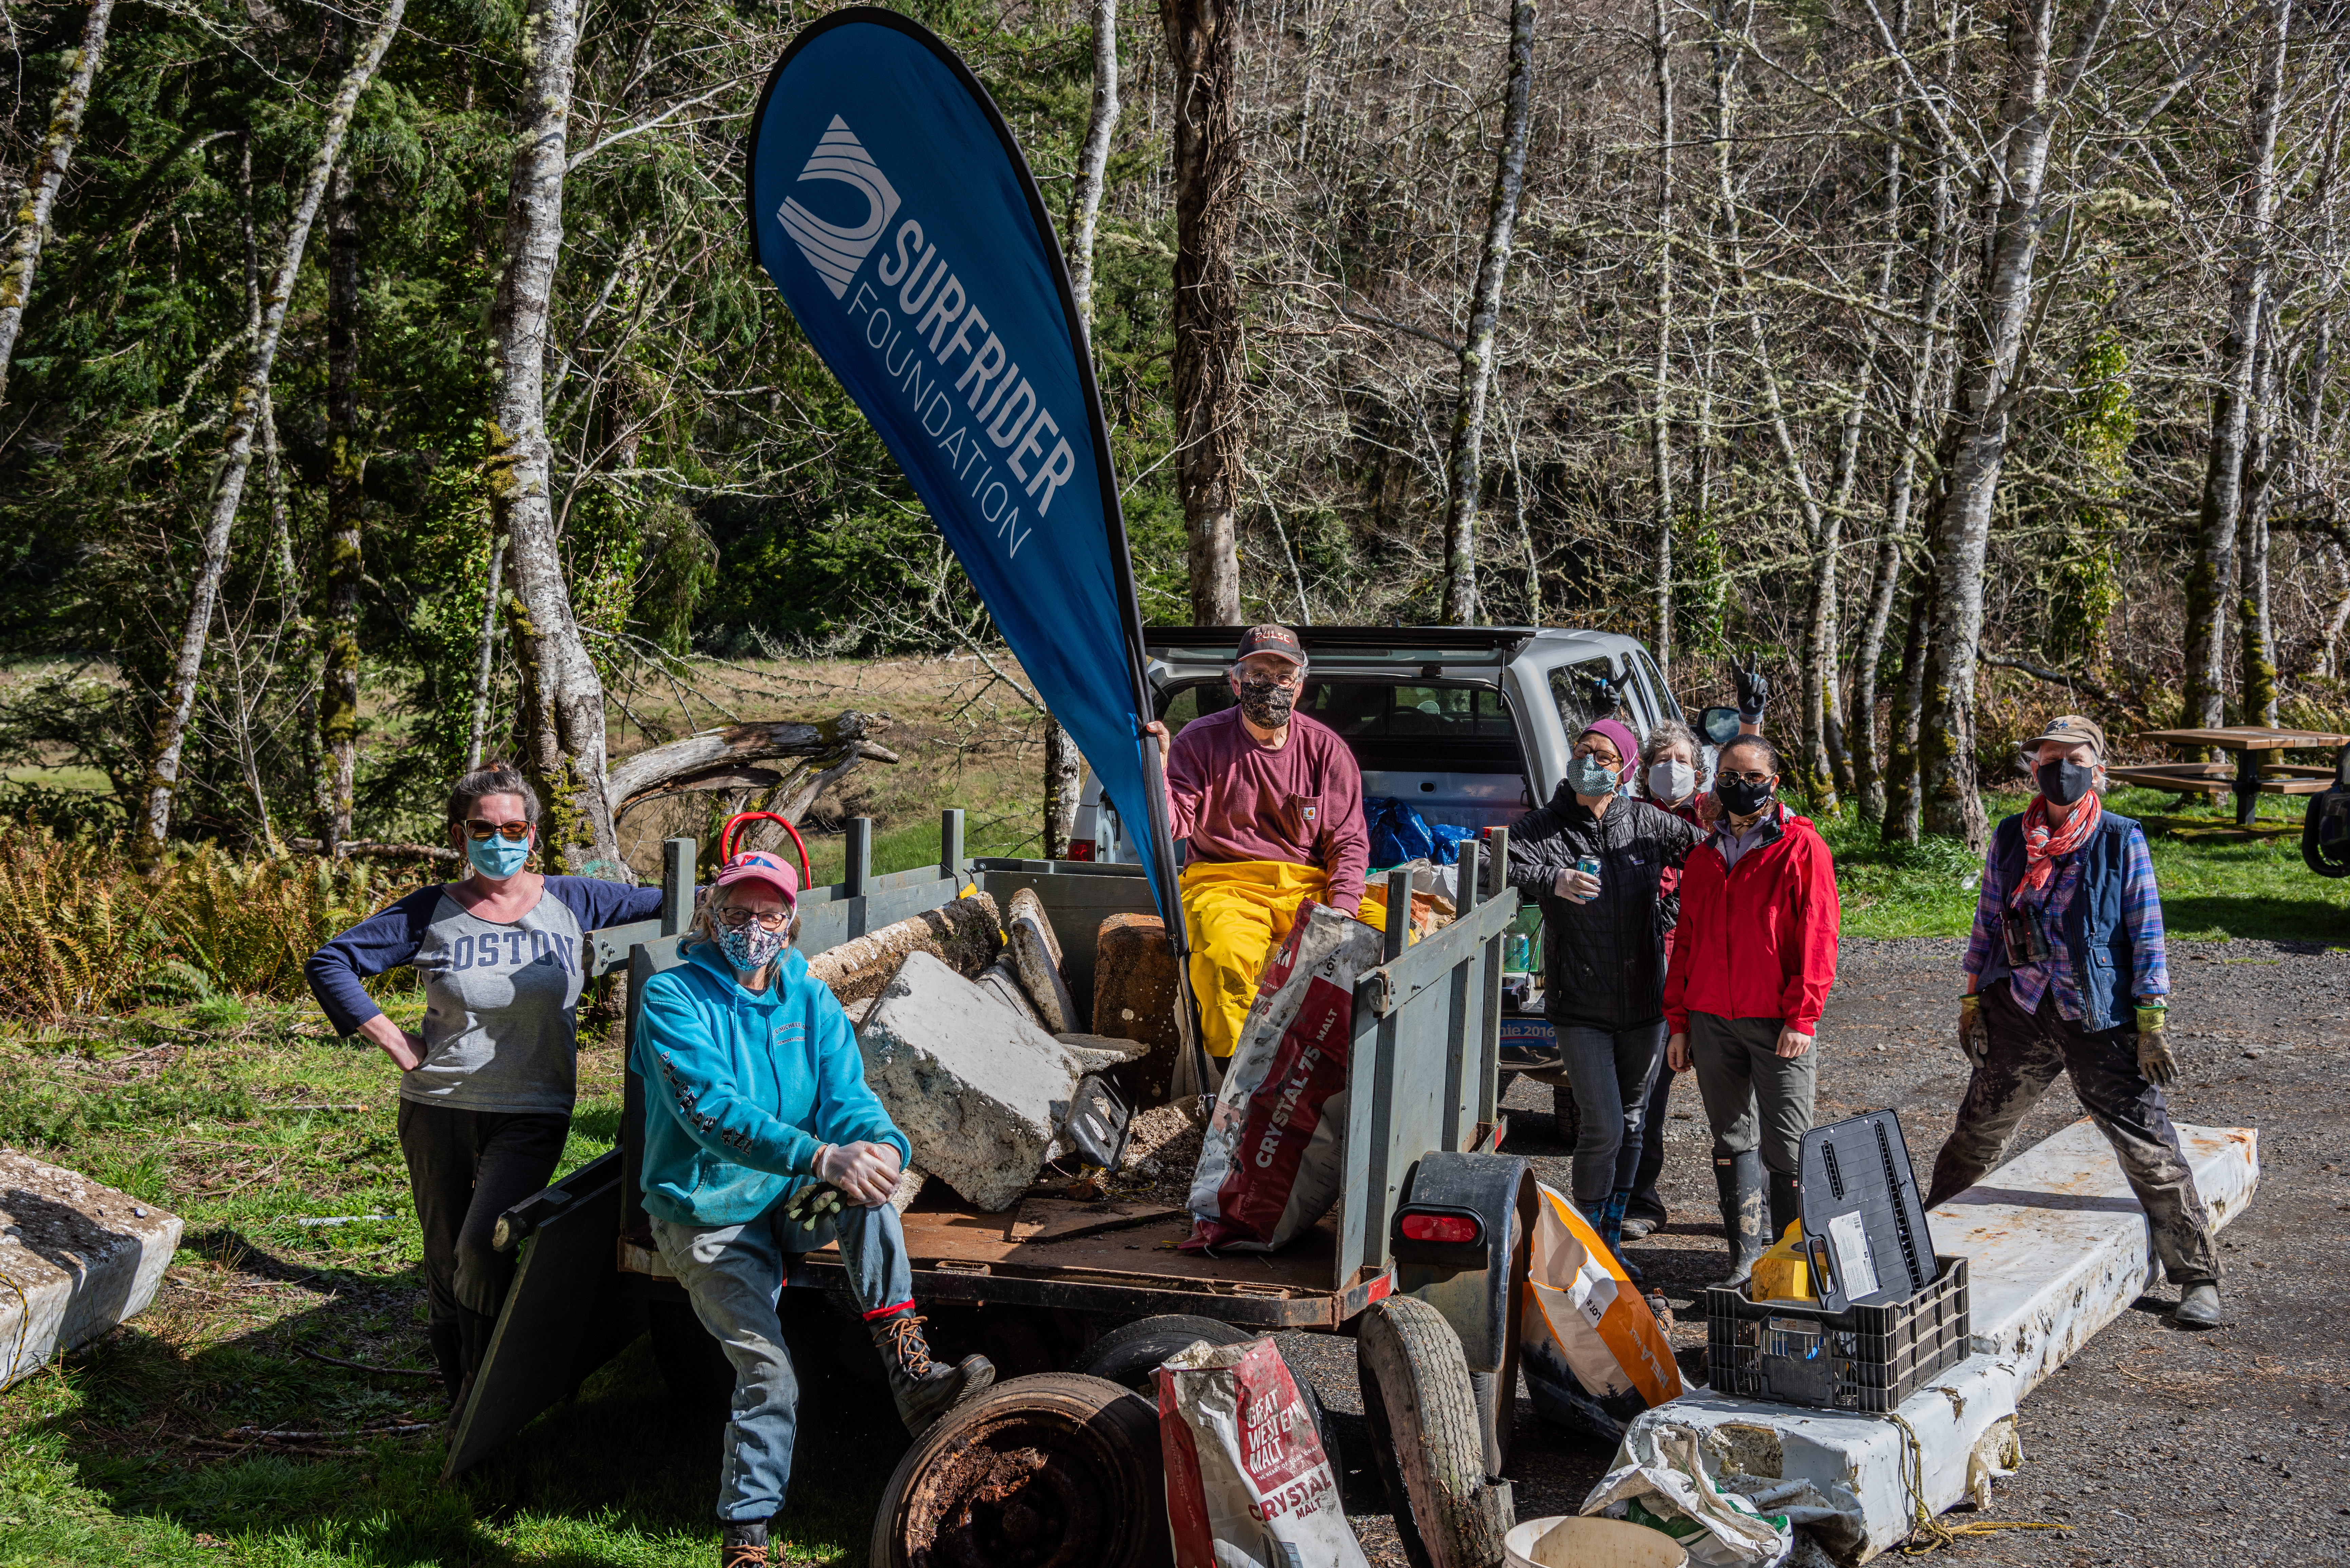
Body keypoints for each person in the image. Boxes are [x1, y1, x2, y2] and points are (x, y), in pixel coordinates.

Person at [637, 848, 995, 1568]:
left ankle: (909, 1373)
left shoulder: (808, 995)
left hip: (784, 1197)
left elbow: (847, 1094)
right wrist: (819, 1156)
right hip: (706, 1213)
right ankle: (747, 1540)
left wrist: (881, 1145)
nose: (753, 925)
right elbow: (707, 1108)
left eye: (770, 912)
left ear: (791, 922)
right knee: (769, 1373)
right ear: (712, 912)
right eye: (738, 910)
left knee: (871, 1191)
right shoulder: (671, 996)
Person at [305, 763, 666, 1412]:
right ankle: (461, 1398)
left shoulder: (575, 900)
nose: (498, 838)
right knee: (446, 1257)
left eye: (513, 827)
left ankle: (492, 1392)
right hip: (436, 1107)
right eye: (483, 828)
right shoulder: (429, 910)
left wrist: (747, 886)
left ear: (533, 835)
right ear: (459, 834)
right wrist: (397, 1043)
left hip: (532, 1108)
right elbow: (333, 961)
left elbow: (680, 901)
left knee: (485, 1242)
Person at [1929, 715, 2225, 1328]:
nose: (2060, 768)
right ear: (2032, 767)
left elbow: (2146, 932)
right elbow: (1987, 921)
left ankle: (2197, 1275)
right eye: (2048, 757)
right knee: (1975, 1133)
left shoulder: (2120, 838)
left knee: (2147, 1148)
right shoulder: (2012, 835)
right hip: (2021, 1007)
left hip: (2099, 1013)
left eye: (2074, 758)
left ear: (2097, 768)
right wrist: (1970, 999)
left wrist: (2150, 1020)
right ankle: (1929, 1247)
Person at [1144, 624, 1394, 1064]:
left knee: (1395, 938)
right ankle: (1237, 1082)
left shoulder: (1326, 750)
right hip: (1223, 882)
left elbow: (1349, 843)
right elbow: (1171, 826)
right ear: (1235, 680)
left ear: (1299, 687)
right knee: (1223, 955)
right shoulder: (1199, 741)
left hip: (1307, 887)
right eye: (1258, 673)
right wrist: (1155, 776)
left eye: (1283, 676)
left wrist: (1342, 910)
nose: (1271, 685)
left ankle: (1364, 1071)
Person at [1506, 718, 1702, 1276]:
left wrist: (1667, 914)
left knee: (1635, 1120)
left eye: (1601, 755)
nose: (1587, 761)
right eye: (1580, 751)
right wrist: (1552, 880)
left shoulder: (1647, 822)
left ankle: (1610, 1245)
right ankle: (1582, 1251)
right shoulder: (1545, 826)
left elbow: (1708, 861)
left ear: (1624, 768)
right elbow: (1493, 863)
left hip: (1644, 1000)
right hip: (1579, 1003)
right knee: (1604, 1125)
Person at [1663, 733, 1840, 1283]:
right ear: (1714, 779)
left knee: (1787, 1145)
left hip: (1776, 1021)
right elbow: (1684, 941)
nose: (1740, 787)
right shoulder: (1702, 854)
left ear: (1774, 783)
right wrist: (1679, 1021)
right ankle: (1744, 1258)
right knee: (1731, 1139)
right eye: (1729, 776)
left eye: (1752, 778)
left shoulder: (1800, 848)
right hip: (1712, 1019)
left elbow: (1818, 937)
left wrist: (1802, 1016)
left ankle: (1791, 1265)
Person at [1621, 674, 1769, 1240]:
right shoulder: (1628, 813)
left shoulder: (1710, 814)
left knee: (1737, 1097)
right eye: (1662, 757)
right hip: (1648, 971)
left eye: (1684, 757)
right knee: (1647, 1092)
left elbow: (1748, 773)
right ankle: (1641, 1198)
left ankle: (1754, 1214)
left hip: (1712, 973)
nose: (1673, 766)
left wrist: (1751, 720)